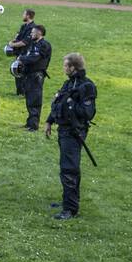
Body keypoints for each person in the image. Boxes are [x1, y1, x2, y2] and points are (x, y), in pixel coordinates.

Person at [45, 53, 97, 220]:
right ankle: (68, 201)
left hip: (74, 132)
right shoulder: (69, 83)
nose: (63, 68)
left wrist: (71, 105)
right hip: (64, 130)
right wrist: (49, 121)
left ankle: (70, 209)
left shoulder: (86, 86)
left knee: (69, 170)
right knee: (68, 167)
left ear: (73, 67)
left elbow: (88, 113)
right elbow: (59, 102)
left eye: (65, 65)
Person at [16, 24, 51, 132]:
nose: (31, 34)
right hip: (28, 74)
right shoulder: (33, 44)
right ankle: (29, 123)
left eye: (33, 32)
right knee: (29, 99)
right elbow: (27, 54)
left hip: (36, 76)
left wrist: (21, 58)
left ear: (39, 33)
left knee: (35, 100)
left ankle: (34, 126)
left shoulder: (44, 45)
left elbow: (34, 58)